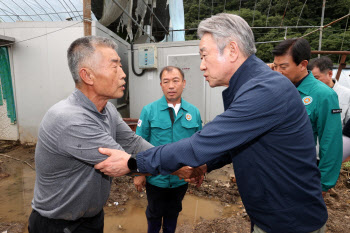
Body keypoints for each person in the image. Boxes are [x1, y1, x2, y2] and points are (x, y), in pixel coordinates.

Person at [95, 13, 328, 233]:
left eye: (204, 55)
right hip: (275, 215)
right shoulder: (253, 86)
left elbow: (198, 145)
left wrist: (134, 163)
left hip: (290, 222)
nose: (202, 65)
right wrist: (206, 166)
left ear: (232, 50)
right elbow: (236, 143)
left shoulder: (264, 90)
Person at [28, 36, 154, 233]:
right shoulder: (70, 119)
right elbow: (124, 162)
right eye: (115, 67)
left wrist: (175, 159)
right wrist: (178, 166)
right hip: (59, 225)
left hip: (91, 218)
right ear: (87, 76)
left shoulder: (108, 110)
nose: (123, 74)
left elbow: (133, 143)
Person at [134, 66, 202, 233]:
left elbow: (199, 145)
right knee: (154, 214)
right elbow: (138, 143)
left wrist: (200, 170)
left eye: (175, 81)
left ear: (184, 83)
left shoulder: (193, 112)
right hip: (155, 178)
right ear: (161, 85)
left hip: (181, 179)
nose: (171, 86)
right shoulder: (149, 110)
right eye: (166, 82)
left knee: (173, 213)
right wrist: (139, 173)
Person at [271, 39, 343, 197]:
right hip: (271, 173)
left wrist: (323, 184)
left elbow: (331, 142)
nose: (277, 72)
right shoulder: (275, 88)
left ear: (303, 64)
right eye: (275, 66)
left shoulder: (323, 95)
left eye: (283, 67)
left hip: (299, 176)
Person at [308, 56, 350, 128]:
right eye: (310, 79)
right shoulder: (306, 94)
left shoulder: (347, 94)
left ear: (330, 74)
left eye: (316, 78)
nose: (312, 82)